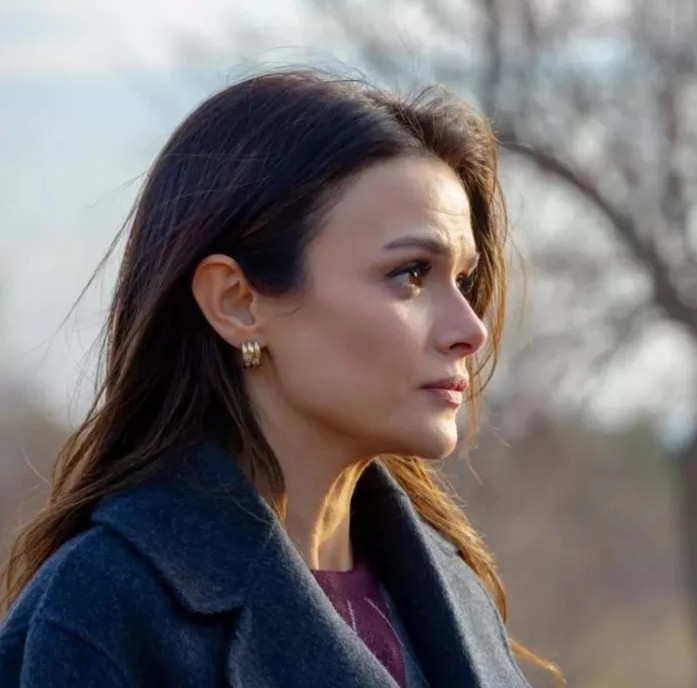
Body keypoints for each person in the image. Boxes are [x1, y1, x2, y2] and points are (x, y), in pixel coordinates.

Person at [0, 71, 559, 688]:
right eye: (410, 274)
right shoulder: (100, 615)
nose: (470, 330)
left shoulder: (457, 597)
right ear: (238, 302)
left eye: (464, 280)